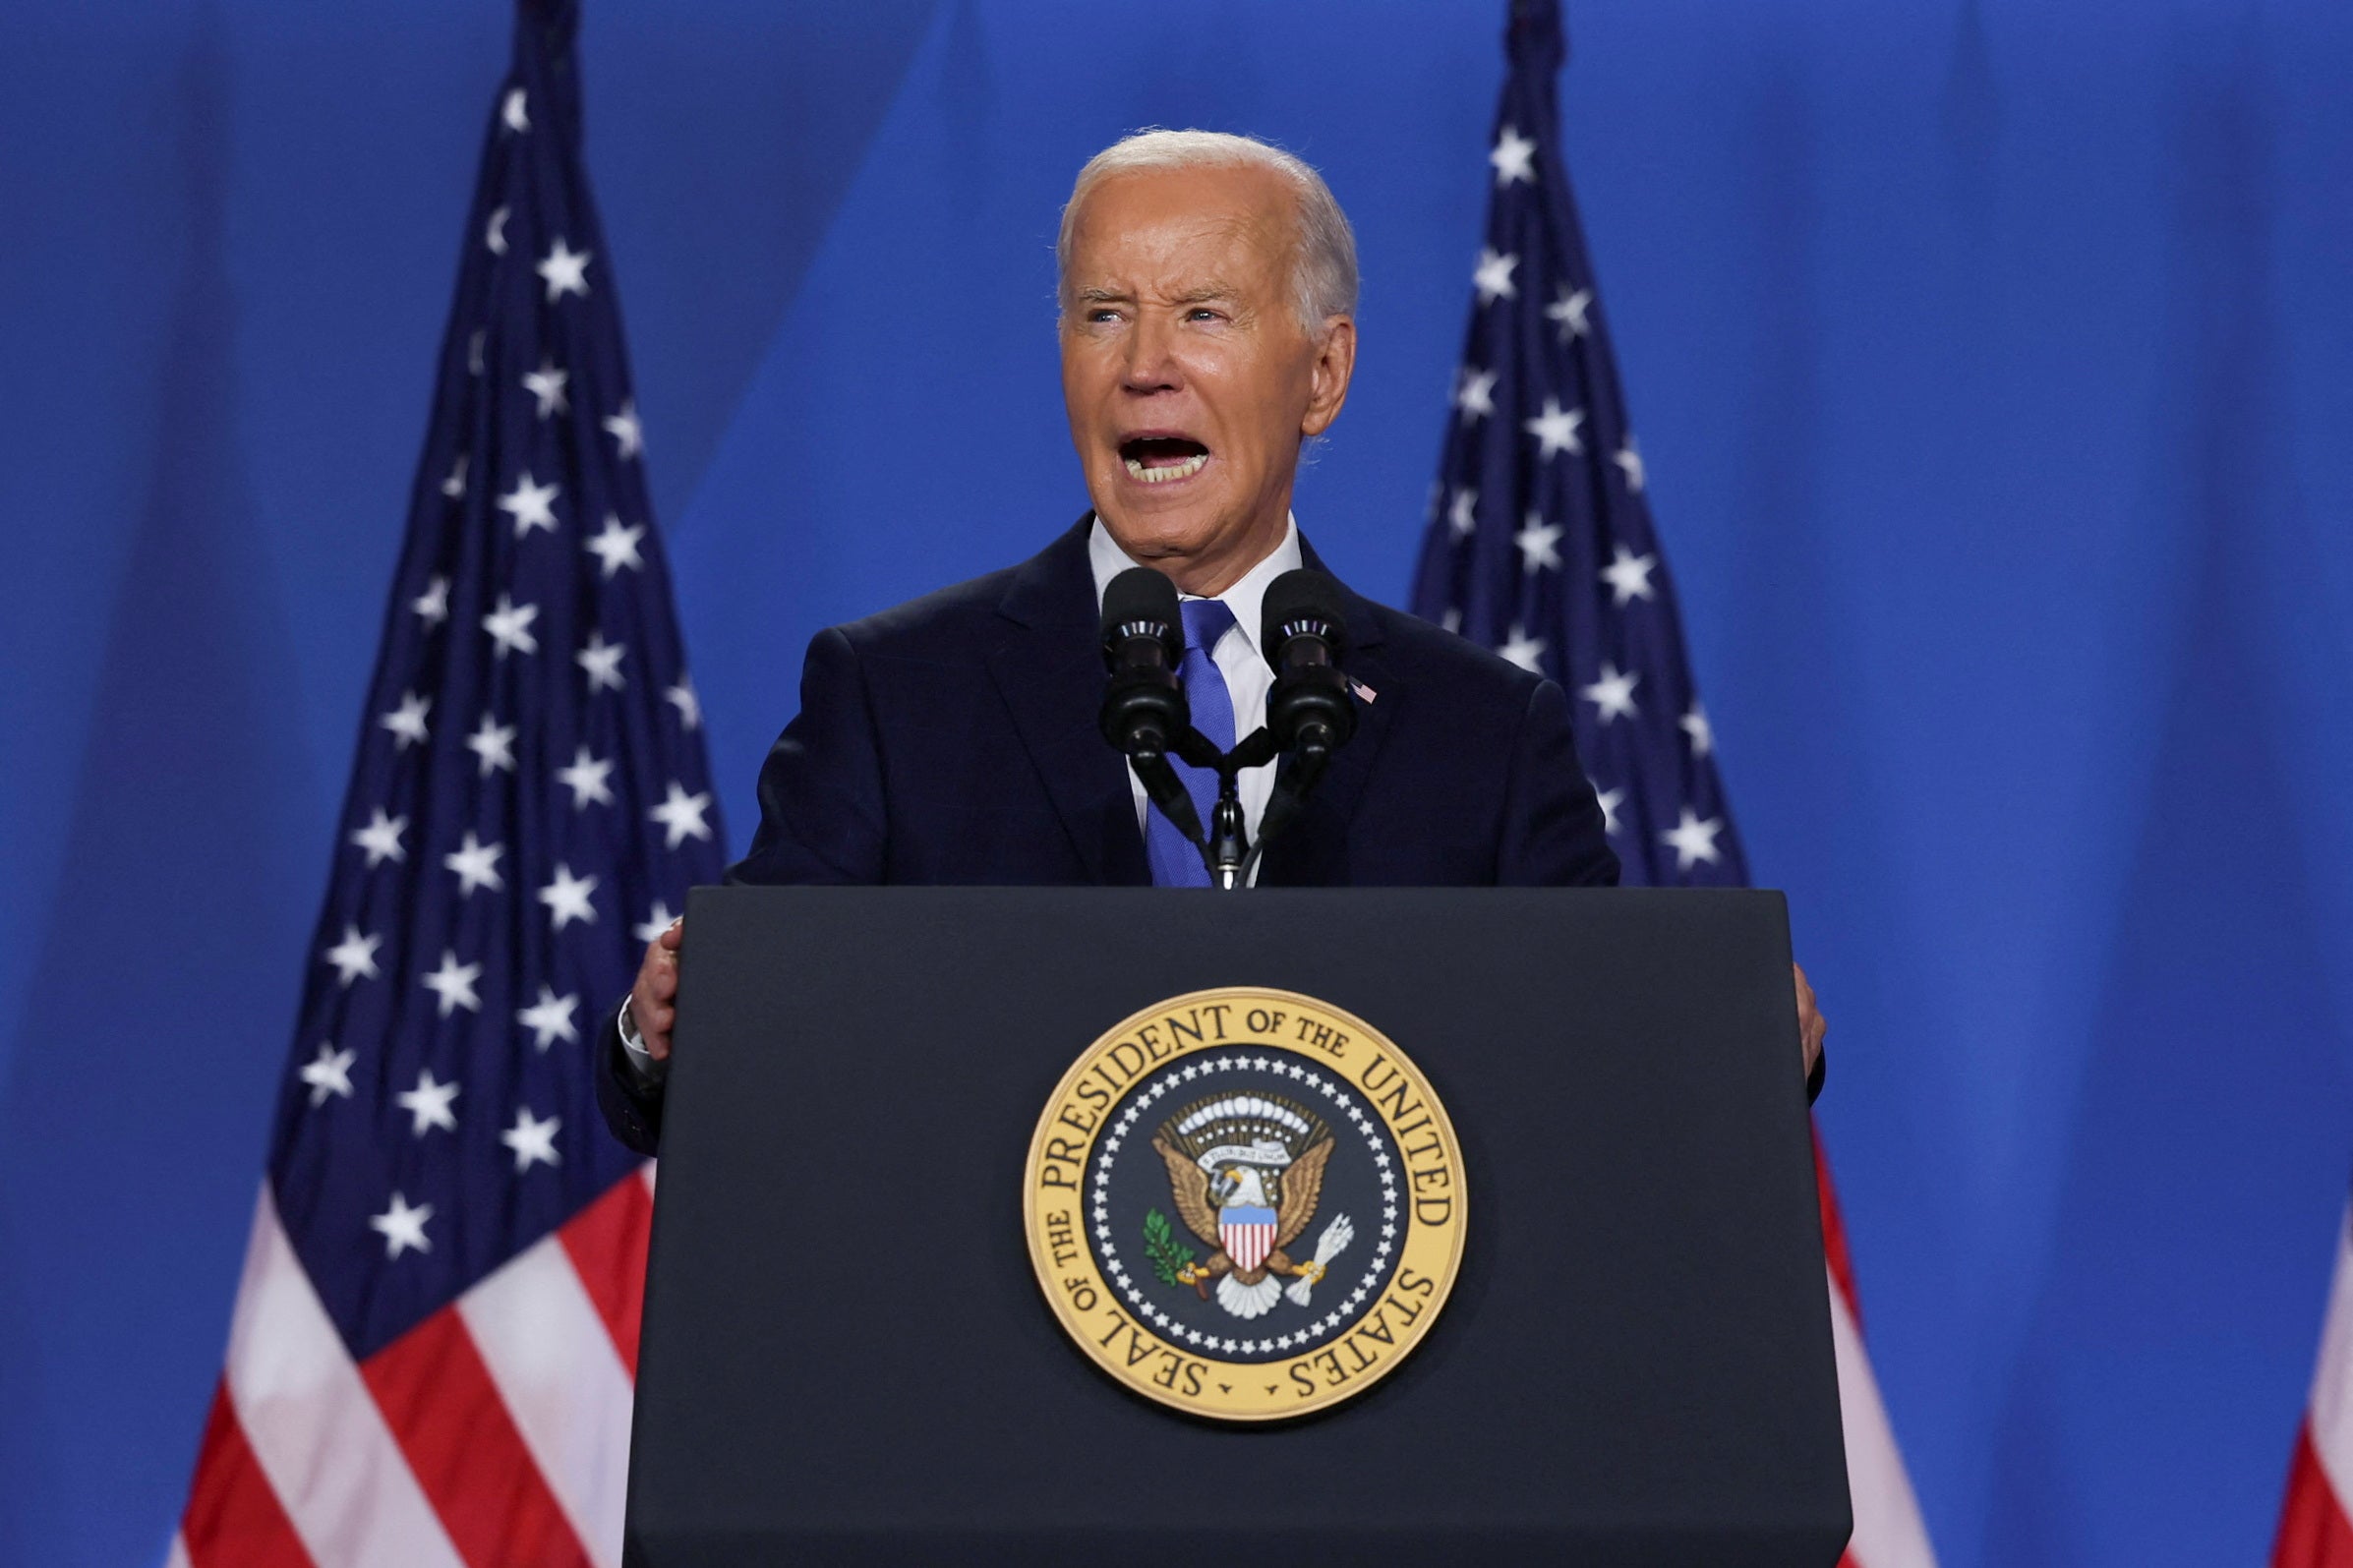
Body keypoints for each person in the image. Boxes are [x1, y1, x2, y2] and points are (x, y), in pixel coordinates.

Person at [597, 131, 1826, 1155]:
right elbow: (748, 1036)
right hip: (999, 1429)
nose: (1142, 368)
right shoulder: (893, 693)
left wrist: (1725, 1044)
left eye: (1201, 313)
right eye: (1102, 315)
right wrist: (668, 1029)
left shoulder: (1483, 734)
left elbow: (1588, 1060)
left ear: (1322, 374)